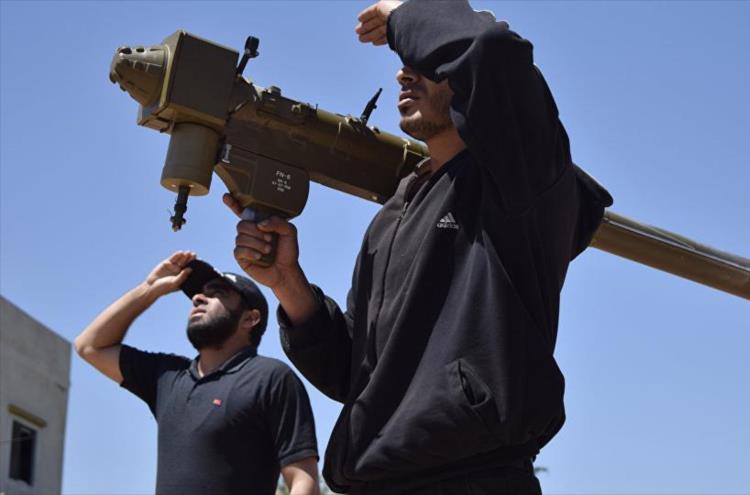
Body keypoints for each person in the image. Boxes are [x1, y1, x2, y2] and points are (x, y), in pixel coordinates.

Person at [226, 0, 613, 493]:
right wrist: (289, 285)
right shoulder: (392, 216)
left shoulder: (519, 179)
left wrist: (406, 14)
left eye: (428, 64)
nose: (404, 76)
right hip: (375, 478)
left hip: (473, 477)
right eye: (404, 66)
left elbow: (493, 51)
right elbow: (356, 375)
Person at [75, 251, 320, 495]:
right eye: (198, 294)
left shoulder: (270, 378)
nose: (198, 299)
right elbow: (90, 346)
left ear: (250, 319)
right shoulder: (168, 376)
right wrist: (150, 289)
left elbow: (303, 479)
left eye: (217, 294)